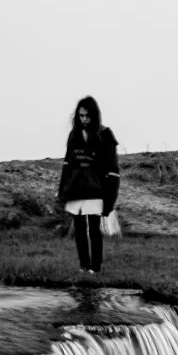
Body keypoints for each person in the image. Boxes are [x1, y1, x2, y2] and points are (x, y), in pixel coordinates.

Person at [57, 96, 120, 274]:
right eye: (81, 115)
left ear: (94, 115)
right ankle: (83, 266)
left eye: (87, 116)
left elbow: (113, 169)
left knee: (94, 229)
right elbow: (67, 165)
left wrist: (110, 199)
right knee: (79, 229)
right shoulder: (74, 135)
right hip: (76, 189)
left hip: (95, 190)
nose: (84, 119)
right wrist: (62, 191)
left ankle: (96, 267)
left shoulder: (105, 134)